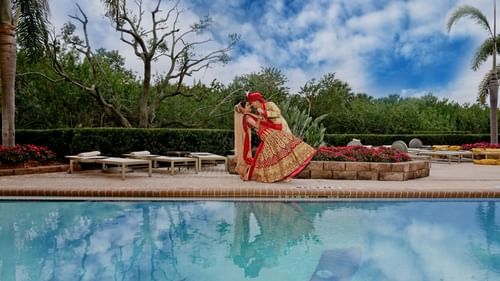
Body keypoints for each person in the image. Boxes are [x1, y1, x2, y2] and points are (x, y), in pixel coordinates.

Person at [234, 99, 316, 183]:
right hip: (267, 135)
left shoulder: (249, 115)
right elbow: (256, 126)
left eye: (249, 104)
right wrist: (259, 118)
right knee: (281, 151)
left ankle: (286, 174)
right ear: (243, 110)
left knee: (281, 152)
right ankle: (283, 175)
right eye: (247, 106)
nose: (250, 106)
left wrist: (262, 115)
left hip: (269, 133)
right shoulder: (246, 117)